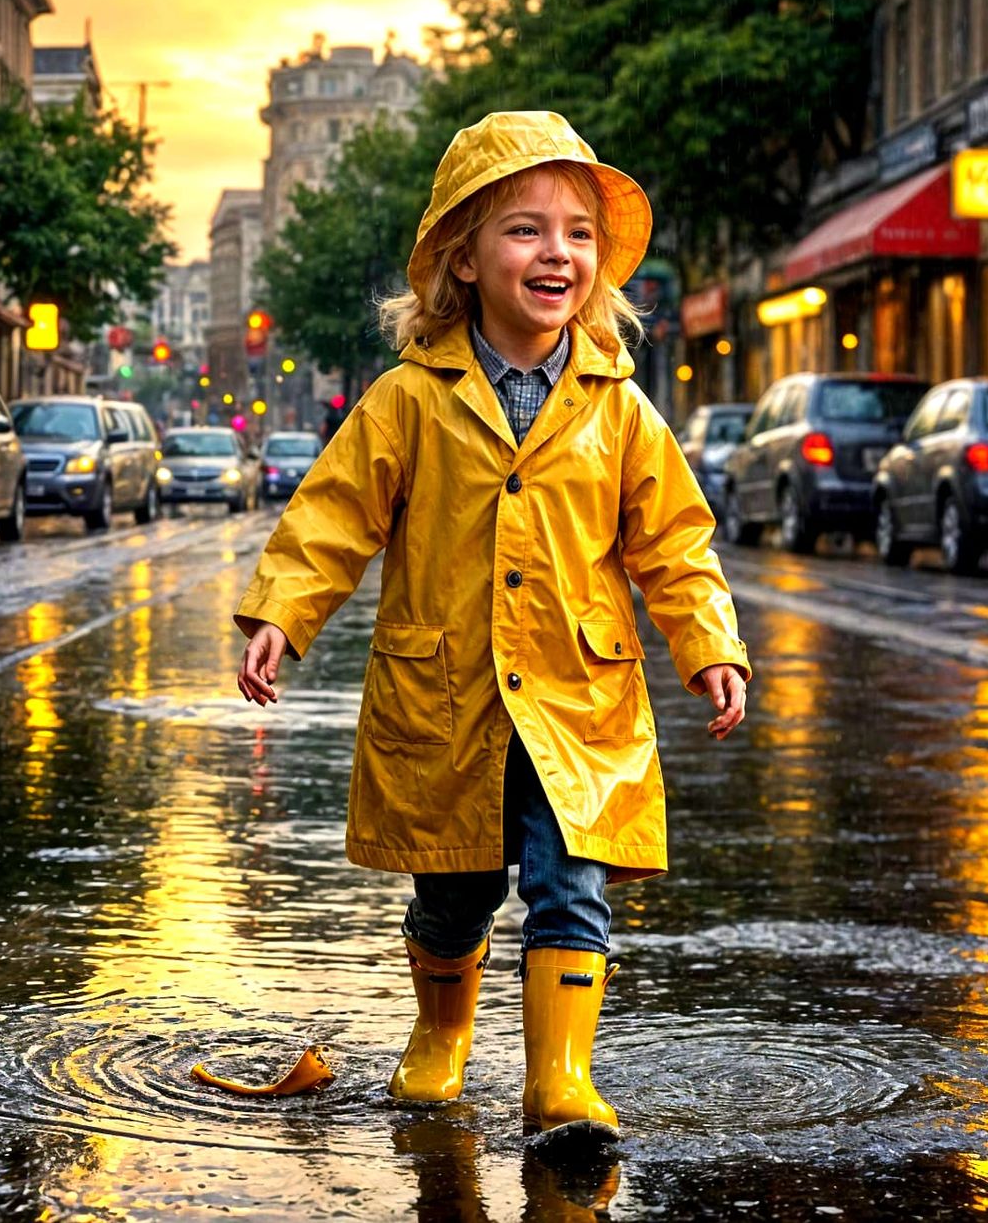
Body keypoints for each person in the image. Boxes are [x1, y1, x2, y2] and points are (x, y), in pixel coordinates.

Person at [232, 111, 751, 1143]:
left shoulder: (619, 408)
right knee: (454, 889)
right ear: (462, 259)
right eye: (524, 229)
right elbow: (334, 515)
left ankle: (561, 1078)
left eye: (577, 233)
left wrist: (709, 644)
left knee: (570, 881)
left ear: (597, 268)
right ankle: (439, 1036)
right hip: (449, 693)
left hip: (576, 697)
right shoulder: (408, 399)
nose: (555, 251)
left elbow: (675, 540)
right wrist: (282, 617)